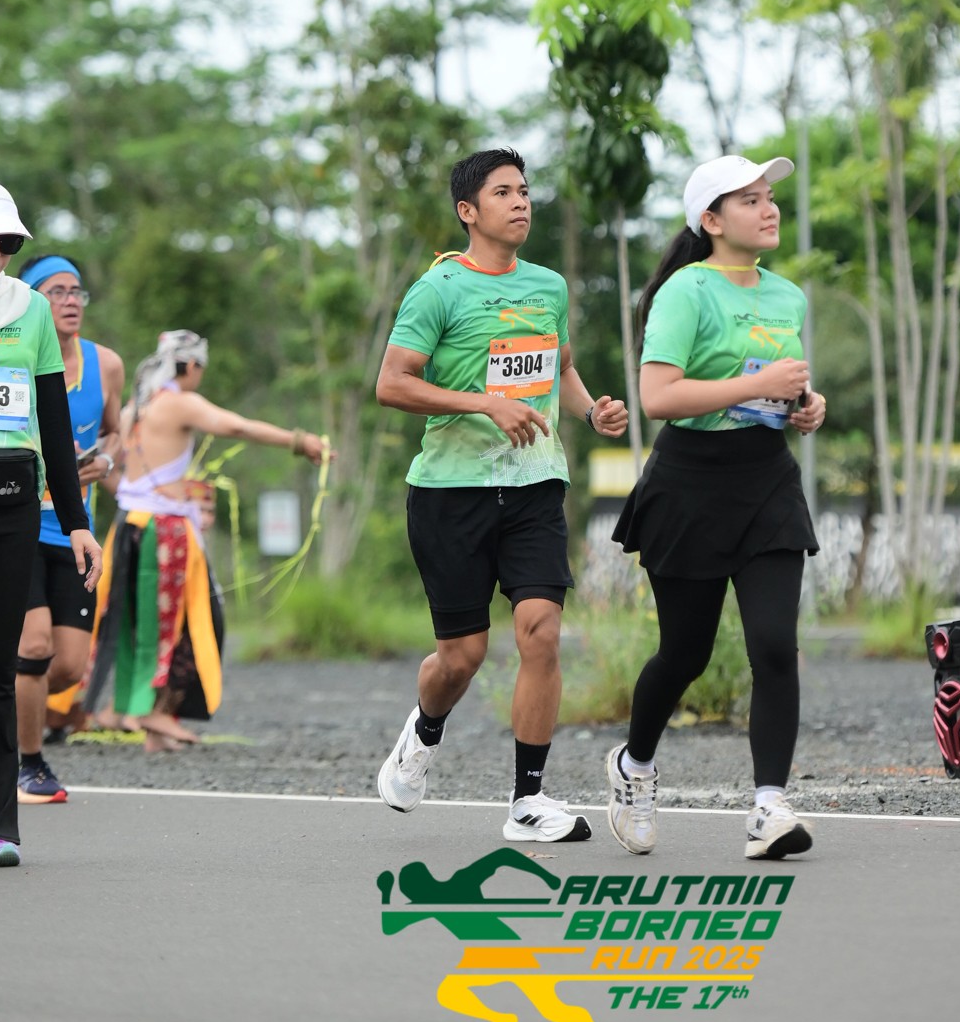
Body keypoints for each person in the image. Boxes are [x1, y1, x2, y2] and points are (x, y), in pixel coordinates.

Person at [375, 147, 629, 843]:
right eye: (503, 192)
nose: (520, 202)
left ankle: (528, 801)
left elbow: (561, 368)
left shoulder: (548, 287)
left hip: (534, 485)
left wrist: (590, 411)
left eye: (524, 191)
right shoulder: (439, 289)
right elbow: (393, 383)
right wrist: (485, 403)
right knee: (461, 657)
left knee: (541, 631)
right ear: (468, 211)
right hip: (449, 493)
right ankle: (424, 731)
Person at [605, 154, 827, 862]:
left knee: (775, 645)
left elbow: (779, 384)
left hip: (766, 481)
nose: (769, 209)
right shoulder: (685, 291)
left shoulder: (787, 295)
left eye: (770, 197)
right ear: (712, 220)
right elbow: (658, 398)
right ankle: (634, 765)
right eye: (750, 200)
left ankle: (769, 807)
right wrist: (758, 384)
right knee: (685, 654)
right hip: (689, 485)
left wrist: (805, 405)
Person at [0, 179, 103, 871]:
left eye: (6, 242)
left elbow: (53, 417)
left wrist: (76, 522)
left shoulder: (31, 310)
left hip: (16, 496)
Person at [84, 330, 325, 751]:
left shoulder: (136, 407)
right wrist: (298, 441)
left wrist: (136, 494)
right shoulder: (177, 401)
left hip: (128, 525)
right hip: (163, 531)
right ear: (192, 365)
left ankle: (154, 722)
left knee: (143, 622)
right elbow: (235, 425)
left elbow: (101, 464)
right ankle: (153, 711)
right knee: (182, 621)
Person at [12, 256, 124, 805]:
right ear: (31, 300)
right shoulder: (10, 356)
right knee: (33, 646)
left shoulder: (107, 365)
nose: (71, 300)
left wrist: (106, 461)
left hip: (74, 531)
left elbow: (115, 432)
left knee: (67, 668)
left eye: (77, 290)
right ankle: (28, 764)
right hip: (17, 524)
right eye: (56, 291)